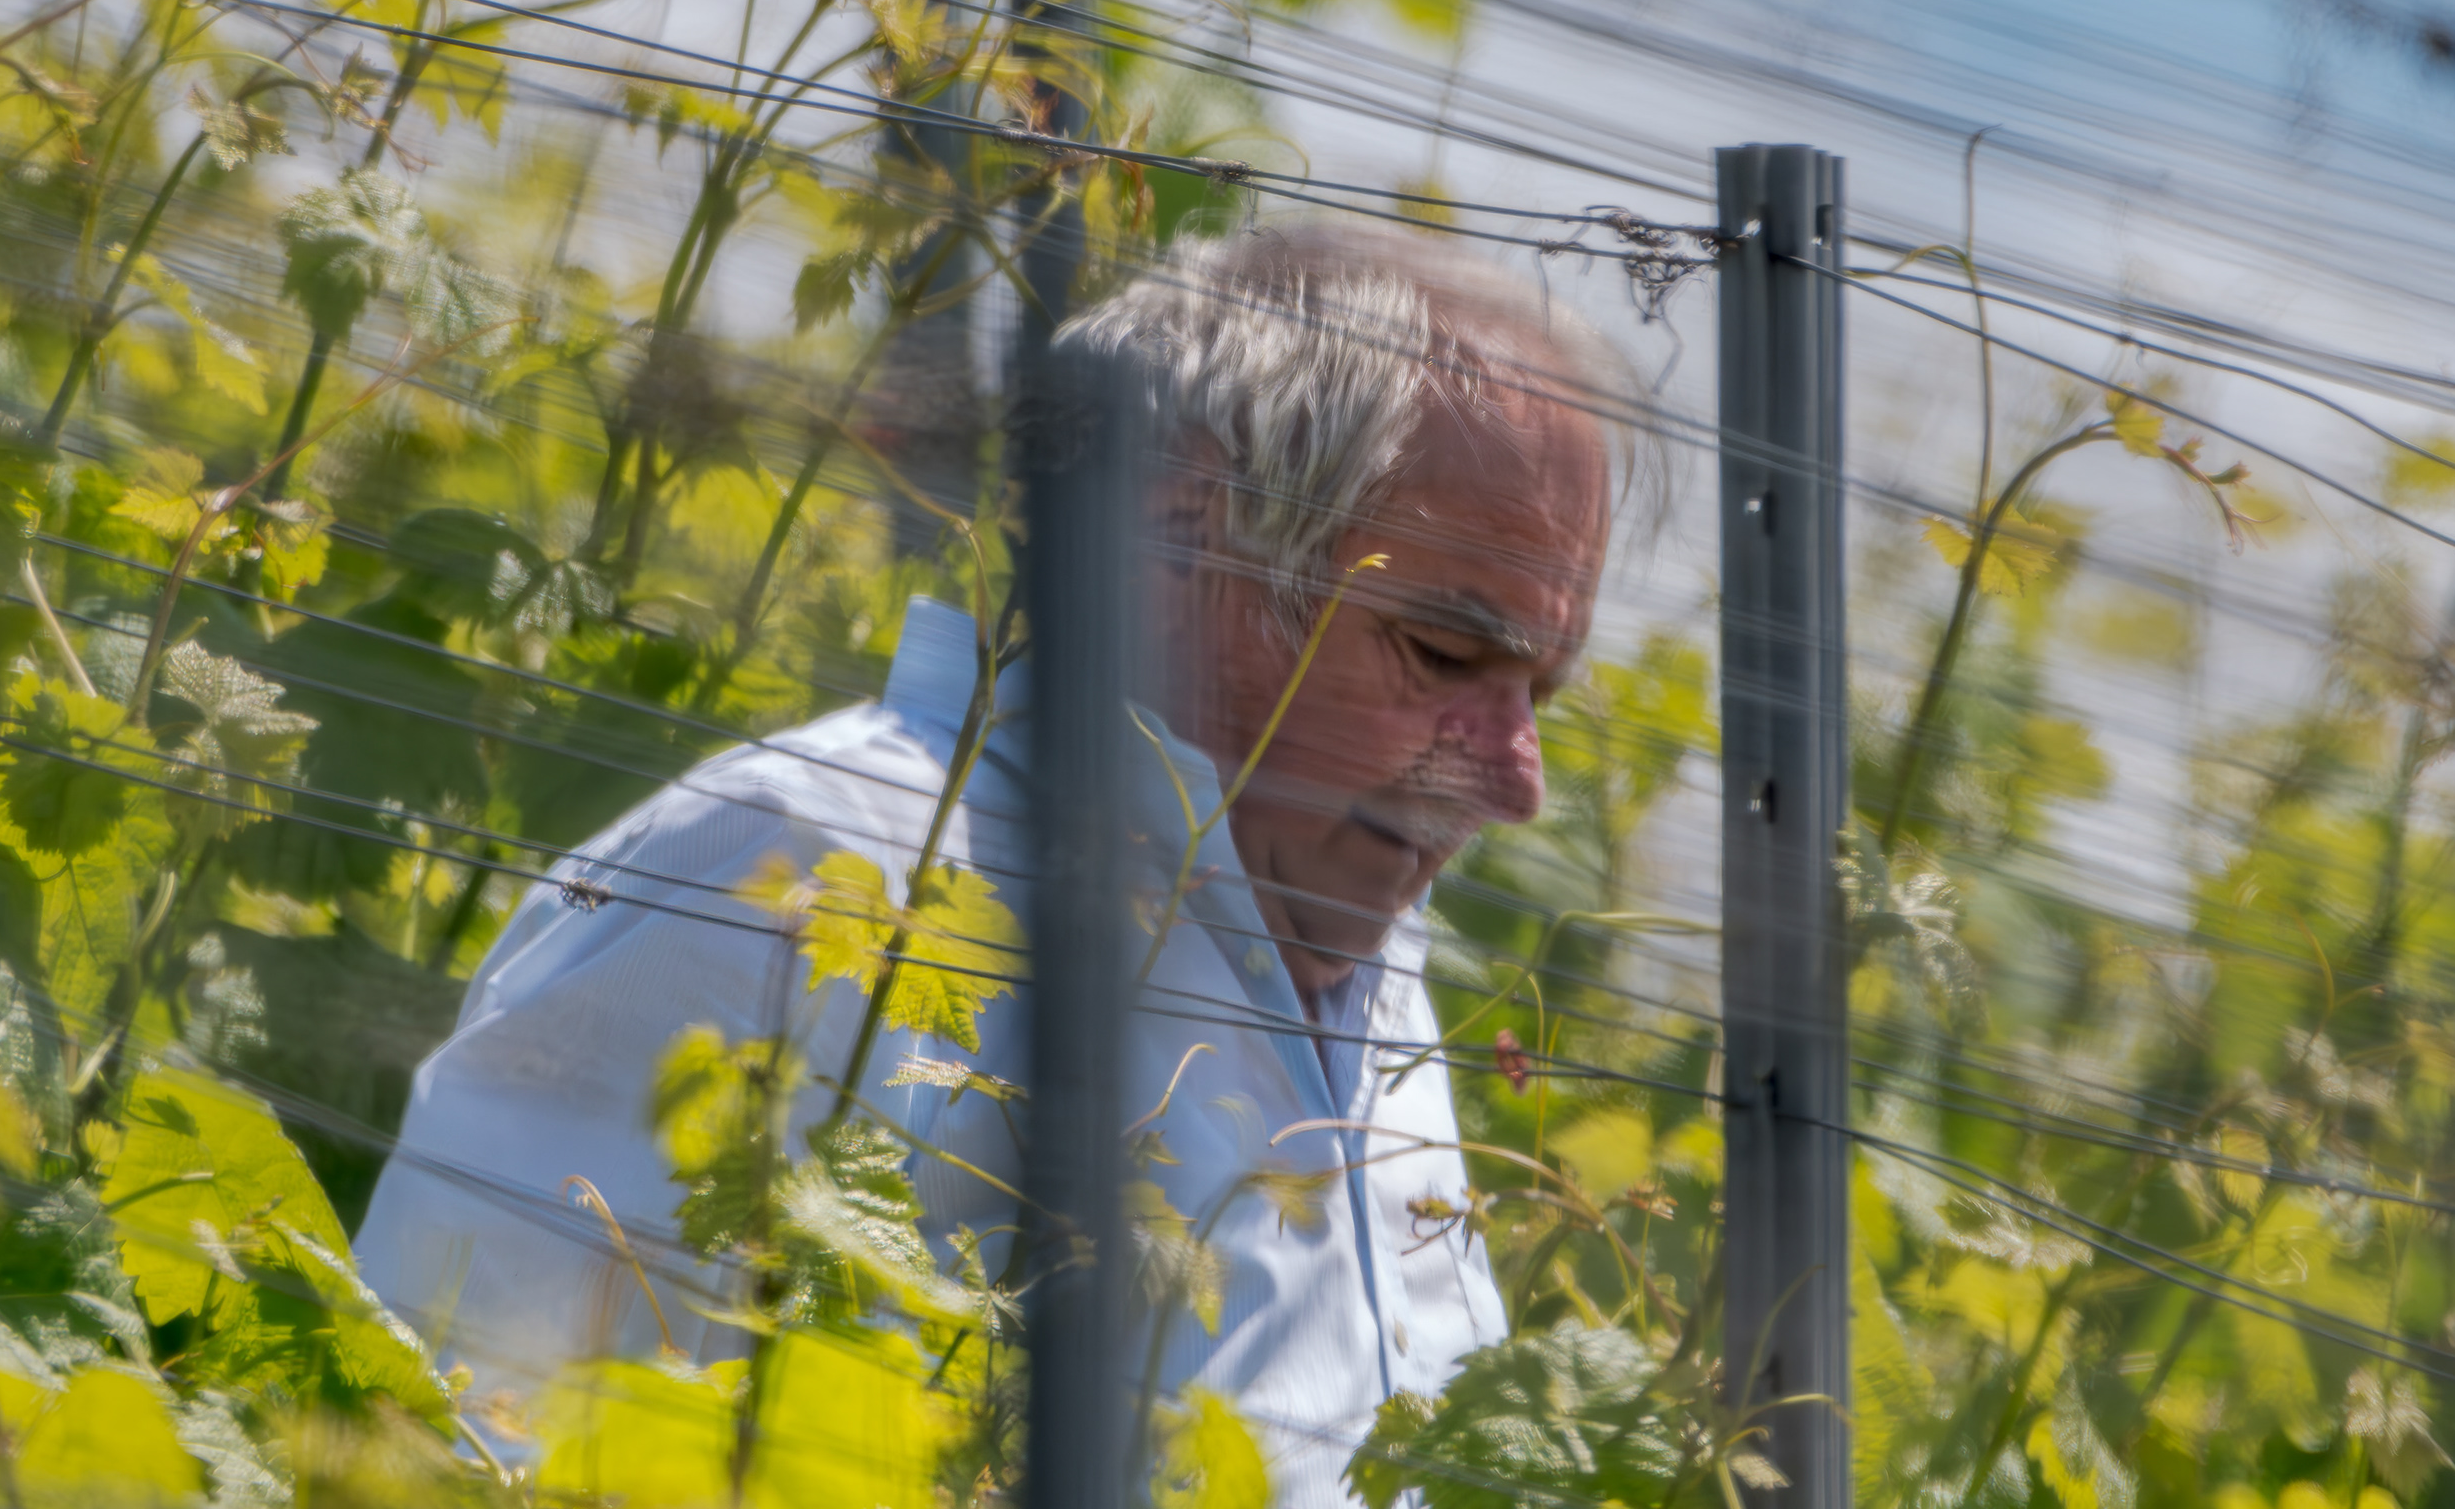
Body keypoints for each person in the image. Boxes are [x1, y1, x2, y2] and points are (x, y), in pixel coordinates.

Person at [352, 221, 1623, 1502]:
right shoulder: (795, 866)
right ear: (1188, 546)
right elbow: (457, 1449)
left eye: (1541, 693)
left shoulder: (1360, 953)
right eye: (1446, 656)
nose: (1517, 782)